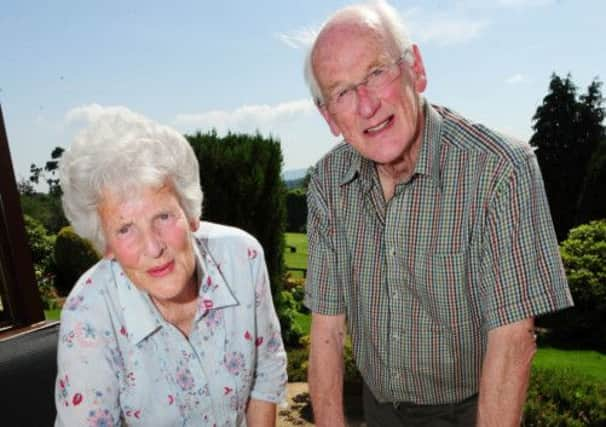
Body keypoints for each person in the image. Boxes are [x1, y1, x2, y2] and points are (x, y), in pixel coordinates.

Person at [303, 1, 574, 426]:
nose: (366, 105)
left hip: (475, 409)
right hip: (378, 409)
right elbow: (326, 334)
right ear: (328, 117)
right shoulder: (325, 183)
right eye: (341, 92)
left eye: (376, 73)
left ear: (416, 69)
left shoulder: (501, 170)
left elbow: (512, 341)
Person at [54, 109, 287, 426]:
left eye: (163, 217)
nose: (153, 247)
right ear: (106, 245)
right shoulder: (88, 313)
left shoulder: (241, 258)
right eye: (125, 229)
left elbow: (266, 370)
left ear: (191, 212)